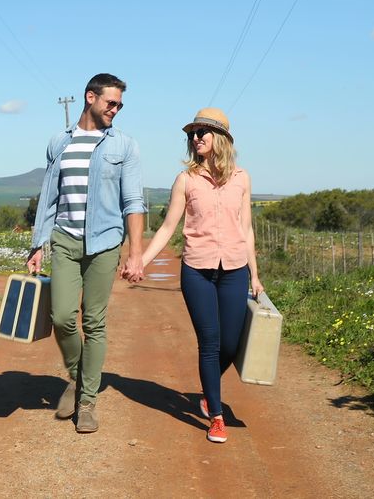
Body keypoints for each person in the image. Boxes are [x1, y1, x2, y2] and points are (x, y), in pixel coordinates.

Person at [126, 107, 264, 444]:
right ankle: (216, 416)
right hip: (196, 271)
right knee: (210, 343)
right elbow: (168, 228)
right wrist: (140, 260)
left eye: (203, 132)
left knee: (231, 344)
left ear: (222, 139)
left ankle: (207, 390)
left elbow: (246, 228)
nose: (196, 138)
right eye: (192, 133)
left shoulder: (242, 178)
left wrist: (255, 276)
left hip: (234, 269)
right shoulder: (186, 180)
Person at [26, 73, 146, 433]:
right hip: (64, 239)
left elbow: (133, 201)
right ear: (90, 97)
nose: (116, 109)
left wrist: (135, 252)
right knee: (61, 316)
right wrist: (37, 244)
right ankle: (79, 377)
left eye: (120, 105)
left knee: (93, 321)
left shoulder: (124, 146)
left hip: (104, 242)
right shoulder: (58, 143)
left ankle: (88, 401)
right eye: (111, 102)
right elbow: (49, 196)